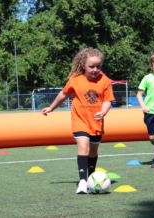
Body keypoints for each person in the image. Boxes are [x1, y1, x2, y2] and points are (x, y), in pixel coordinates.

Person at [42, 48, 115, 194]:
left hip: (96, 122)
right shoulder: (75, 80)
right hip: (80, 121)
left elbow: (107, 100)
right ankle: (82, 182)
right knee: (83, 147)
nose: (95, 70)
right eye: (91, 67)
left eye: (98, 67)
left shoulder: (104, 81)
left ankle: (90, 178)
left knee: (93, 152)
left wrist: (103, 112)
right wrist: (51, 107)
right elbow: (63, 94)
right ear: (83, 65)